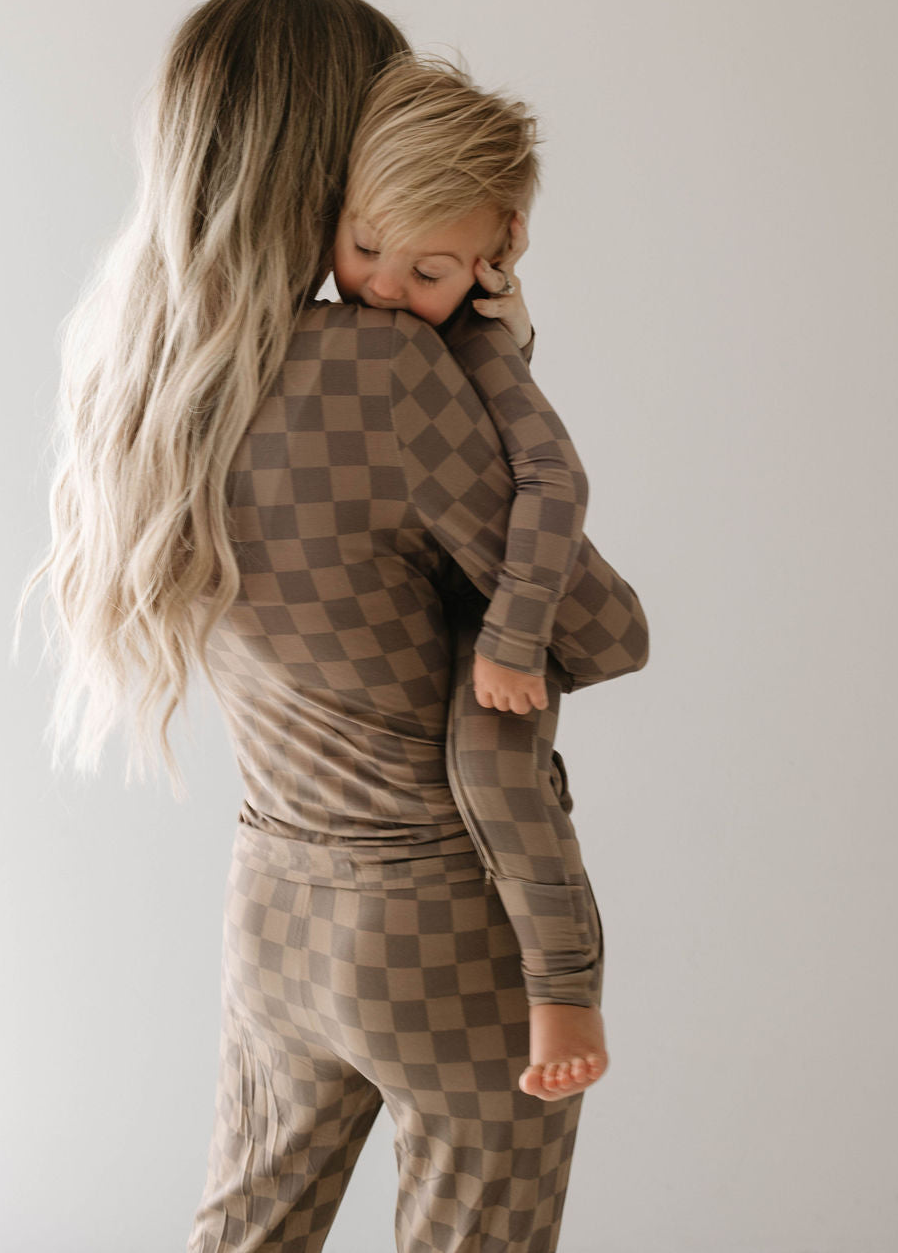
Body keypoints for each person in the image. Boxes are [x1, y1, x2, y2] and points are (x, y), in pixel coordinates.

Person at [15, 0, 649, 1253]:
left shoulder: (144, 369)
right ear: (335, 151)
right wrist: (499, 363)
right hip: (443, 927)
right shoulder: (383, 369)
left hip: (274, 914)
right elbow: (603, 630)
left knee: (243, 1236)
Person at [331, 54, 634, 1098]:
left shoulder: (480, 348)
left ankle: (562, 988)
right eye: (366, 247)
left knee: (498, 768)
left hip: (492, 609)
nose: (382, 286)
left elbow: (556, 479)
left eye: (429, 271)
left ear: (494, 255)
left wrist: (511, 633)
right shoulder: (346, 331)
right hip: (417, 587)